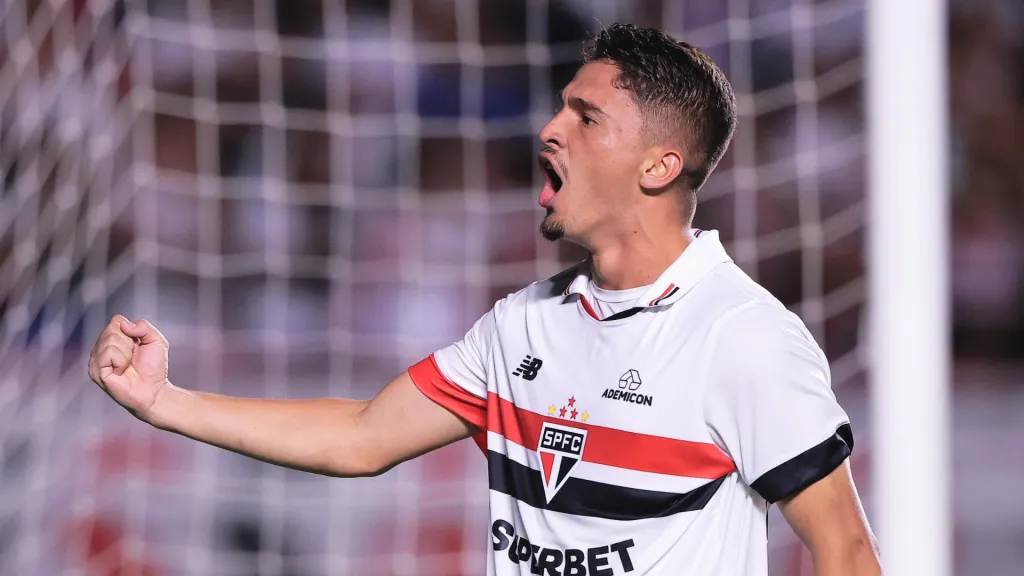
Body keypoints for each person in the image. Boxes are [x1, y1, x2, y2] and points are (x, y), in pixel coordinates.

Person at [88, 24, 881, 576]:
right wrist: (167, 402)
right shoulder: (522, 324)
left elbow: (845, 551)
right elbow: (363, 436)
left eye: (585, 115)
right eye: (560, 105)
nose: (550, 127)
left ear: (658, 165)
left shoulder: (740, 337)